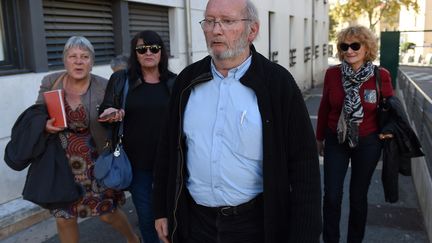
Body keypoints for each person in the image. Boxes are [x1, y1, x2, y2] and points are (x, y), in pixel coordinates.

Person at [152, 0, 322, 242]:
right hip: (194, 222)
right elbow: (168, 149)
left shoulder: (277, 84)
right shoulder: (186, 81)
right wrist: (161, 209)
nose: (215, 29)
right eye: (209, 21)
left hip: (255, 225)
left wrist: (305, 234)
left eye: (228, 21)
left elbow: (304, 164)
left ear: (252, 31)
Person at [35, 36, 140, 243]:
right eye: (73, 56)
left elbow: (119, 114)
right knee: (65, 218)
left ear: (92, 62)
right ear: (65, 60)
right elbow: (36, 113)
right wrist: (44, 125)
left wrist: (115, 116)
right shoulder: (51, 81)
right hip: (60, 163)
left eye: (84, 57)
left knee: (107, 213)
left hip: (95, 160)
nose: (79, 61)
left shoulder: (103, 85)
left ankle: (132, 239)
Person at [316, 25, 394, 243]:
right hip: (336, 139)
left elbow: (390, 109)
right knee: (331, 196)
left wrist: (386, 136)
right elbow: (324, 107)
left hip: (368, 142)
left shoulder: (381, 76)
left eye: (355, 45)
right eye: (344, 46)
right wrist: (319, 137)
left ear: (366, 47)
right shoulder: (332, 74)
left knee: (358, 197)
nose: (349, 50)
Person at [98, 30, 176, 243]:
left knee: (173, 215)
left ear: (161, 52)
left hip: (170, 163)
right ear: (135, 53)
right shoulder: (121, 79)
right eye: (142, 49)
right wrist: (109, 114)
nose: (148, 52)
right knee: (147, 216)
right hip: (137, 163)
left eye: (154, 48)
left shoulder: (173, 82)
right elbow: (105, 109)